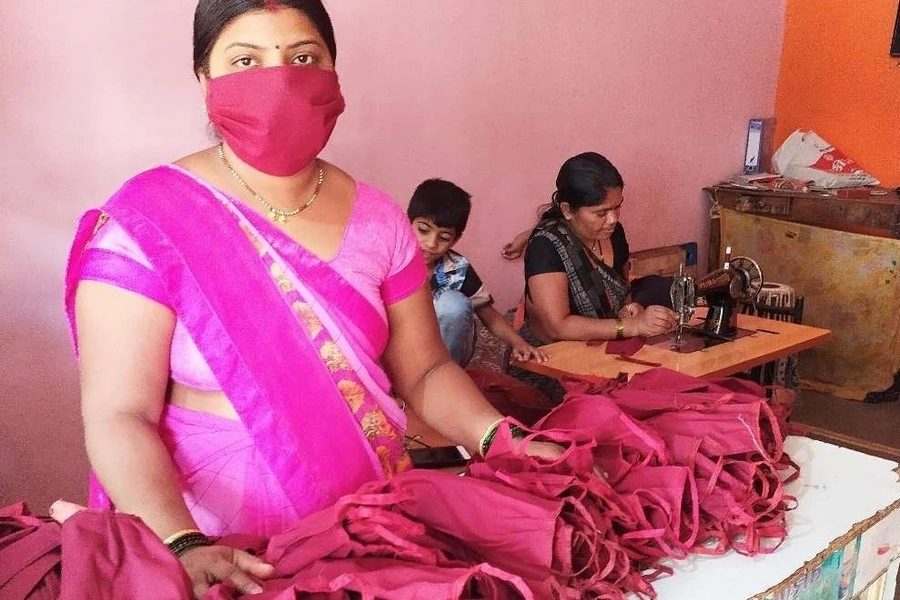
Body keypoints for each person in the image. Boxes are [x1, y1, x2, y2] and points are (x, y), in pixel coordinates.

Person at [64, 2, 559, 596]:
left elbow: (425, 370)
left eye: (303, 57)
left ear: (333, 73)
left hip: (364, 525)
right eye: (245, 61)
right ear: (205, 80)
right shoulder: (149, 221)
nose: (278, 79)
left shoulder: (381, 219)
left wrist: (500, 436)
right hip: (217, 546)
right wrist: (183, 543)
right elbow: (120, 413)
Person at [505, 152, 677, 395]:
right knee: (625, 407)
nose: (612, 219)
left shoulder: (614, 234)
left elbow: (619, 287)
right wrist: (631, 327)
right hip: (550, 363)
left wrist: (629, 308)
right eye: (601, 212)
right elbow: (558, 327)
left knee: (672, 385)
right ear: (567, 210)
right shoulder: (546, 245)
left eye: (618, 208)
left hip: (603, 353)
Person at [407, 178, 548, 367]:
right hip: (403, 350)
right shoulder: (389, 260)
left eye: (444, 237)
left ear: (455, 240)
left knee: (453, 303)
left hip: (444, 355)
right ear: (407, 222)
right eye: (423, 230)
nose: (431, 243)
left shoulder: (457, 268)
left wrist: (519, 343)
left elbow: (489, 315)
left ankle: (446, 377)